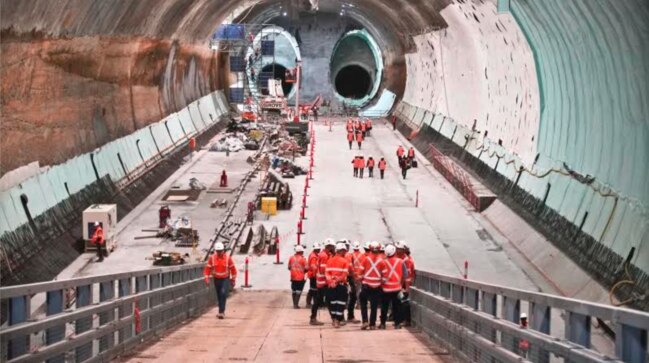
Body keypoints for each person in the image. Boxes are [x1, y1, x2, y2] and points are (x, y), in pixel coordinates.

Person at [204, 242, 237, 319]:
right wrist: (207, 279)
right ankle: (220, 311)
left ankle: (222, 312)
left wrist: (233, 280)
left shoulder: (228, 259)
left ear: (223, 250)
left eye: (220, 251)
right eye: (217, 251)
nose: (219, 253)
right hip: (216, 279)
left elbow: (233, 270)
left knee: (223, 293)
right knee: (219, 295)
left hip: (225, 279)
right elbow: (207, 269)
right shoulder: (212, 258)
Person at [358, 241, 386, 330]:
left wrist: (362, 279)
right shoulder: (382, 261)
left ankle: (365, 321)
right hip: (377, 286)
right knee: (374, 306)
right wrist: (380, 283)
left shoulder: (366, 259)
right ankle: (372, 324)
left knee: (363, 303)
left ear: (370, 249)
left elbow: (360, 272)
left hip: (366, 285)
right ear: (379, 249)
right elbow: (384, 276)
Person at [380, 244, 407, 329]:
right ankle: (397, 323)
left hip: (385, 288)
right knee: (397, 306)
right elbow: (405, 275)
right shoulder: (401, 261)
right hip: (397, 288)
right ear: (394, 252)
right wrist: (400, 284)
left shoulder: (383, 262)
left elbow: (380, 274)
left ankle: (382, 323)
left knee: (384, 307)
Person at [326, 243, 351, 328]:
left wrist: (331, 282)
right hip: (341, 285)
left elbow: (327, 273)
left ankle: (334, 319)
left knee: (333, 303)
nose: (345, 252)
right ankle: (337, 320)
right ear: (342, 251)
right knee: (341, 303)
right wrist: (337, 281)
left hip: (331, 286)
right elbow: (344, 275)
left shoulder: (330, 260)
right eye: (344, 250)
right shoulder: (344, 261)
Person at [310, 239, 335, 325]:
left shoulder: (324, 255)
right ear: (329, 247)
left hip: (321, 282)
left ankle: (313, 318)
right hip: (323, 282)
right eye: (333, 246)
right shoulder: (324, 256)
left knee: (321, 300)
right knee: (327, 300)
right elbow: (323, 270)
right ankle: (334, 319)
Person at [344, 244, 360, 323]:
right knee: (352, 296)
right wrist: (355, 276)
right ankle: (349, 316)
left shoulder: (335, 255)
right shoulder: (348, 255)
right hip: (347, 277)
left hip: (345, 277)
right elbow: (350, 267)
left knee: (345, 298)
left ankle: (341, 317)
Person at [306, 242, 321, 307]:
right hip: (313, 275)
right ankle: (310, 303)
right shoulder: (314, 257)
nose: (320, 250)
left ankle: (309, 303)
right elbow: (314, 267)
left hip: (311, 274)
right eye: (319, 249)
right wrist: (315, 276)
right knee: (313, 290)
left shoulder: (313, 255)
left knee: (312, 289)